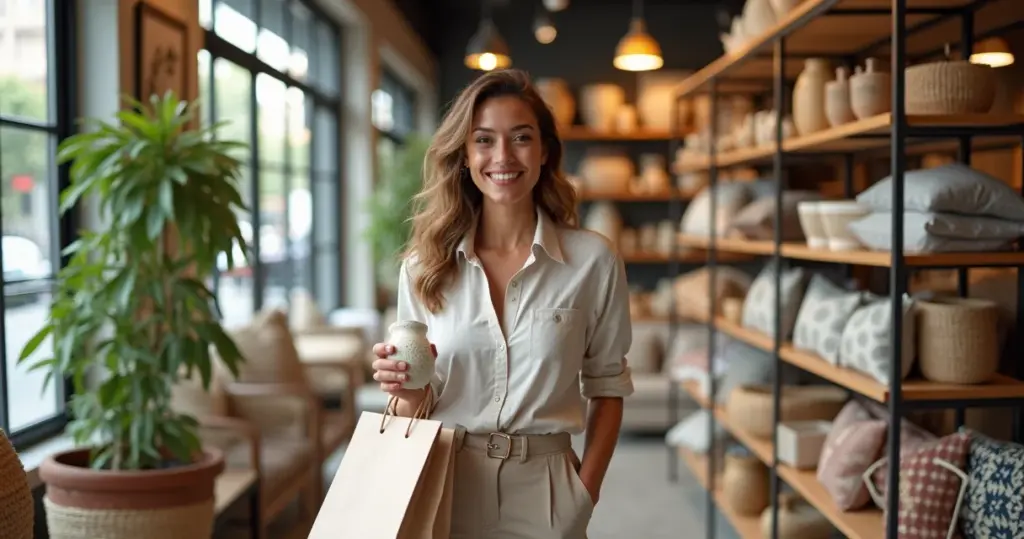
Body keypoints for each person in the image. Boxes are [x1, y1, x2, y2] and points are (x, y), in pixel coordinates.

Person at [371, 68, 634, 539]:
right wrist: (406, 391)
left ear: (545, 151)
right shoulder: (424, 266)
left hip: (549, 489)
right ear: (466, 155)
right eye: (485, 140)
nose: (503, 157)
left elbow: (607, 387)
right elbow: (417, 401)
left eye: (521, 138)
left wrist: (584, 495)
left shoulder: (593, 261)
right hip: (444, 479)